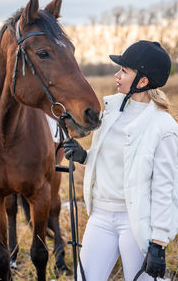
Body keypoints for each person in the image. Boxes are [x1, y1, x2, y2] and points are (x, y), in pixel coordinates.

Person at [63, 40, 178, 281]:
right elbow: (114, 160)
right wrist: (85, 157)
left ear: (143, 81)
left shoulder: (163, 127)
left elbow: (165, 188)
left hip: (136, 223)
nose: (117, 75)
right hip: (101, 216)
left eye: (124, 71)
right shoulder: (111, 110)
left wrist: (158, 243)